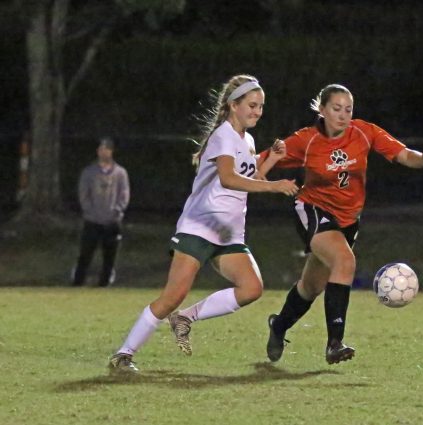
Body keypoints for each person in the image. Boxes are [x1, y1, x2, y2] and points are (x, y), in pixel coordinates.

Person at [108, 75, 299, 374]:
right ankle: (123, 354)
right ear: (233, 105)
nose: (257, 112)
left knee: (251, 288)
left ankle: (186, 318)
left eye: (261, 106)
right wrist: (275, 186)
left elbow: (249, 179)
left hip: (229, 234)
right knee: (172, 295)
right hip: (200, 227)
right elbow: (229, 178)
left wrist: (270, 161)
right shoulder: (223, 135)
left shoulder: (247, 140)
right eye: (251, 105)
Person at [255, 84, 423, 365]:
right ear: (322, 110)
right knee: (345, 261)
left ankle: (279, 326)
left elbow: (404, 155)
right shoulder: (305, 141)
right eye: (336, 108)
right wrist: (224, 164)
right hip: (313, 209)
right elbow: (259, 160)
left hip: (348, 220)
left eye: (348, 109)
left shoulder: (365, 133)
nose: (343, 115)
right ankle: (334, 343)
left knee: (312, 286)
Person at [72, 137, 130, 287]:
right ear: (97, 151)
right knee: (85, 253)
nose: (104, 152)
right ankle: (77, 281)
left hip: (112, 221)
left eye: (107, 149)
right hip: (92, 221)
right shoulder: (89, 172)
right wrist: (90, 211)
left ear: (111, 151)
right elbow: (83, 194)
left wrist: (117, 211)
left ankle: (104, 283)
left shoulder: (120, 173)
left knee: (109, 255)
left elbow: (124, 194)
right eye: (101, 149)